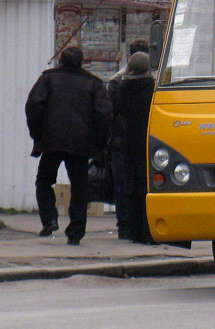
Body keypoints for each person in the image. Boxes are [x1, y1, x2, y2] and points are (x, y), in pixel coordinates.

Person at [25, 46, 112, 245]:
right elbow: (104, 115)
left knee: (44, 181)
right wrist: (100, 143)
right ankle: (76, 232)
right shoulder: (93, 84)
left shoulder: (48, 79)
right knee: (80, 187)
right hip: (81, 145)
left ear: (61, 61)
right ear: (81, 62)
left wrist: (38, 135)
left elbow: (33, 106)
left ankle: (49, 219)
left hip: (51, 141)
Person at [107, 39, 150, 239]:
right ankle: (143, 227)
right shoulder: (154, 85)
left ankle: (126, 226)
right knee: (144, 184)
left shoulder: (117, 83)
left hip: (120, 141)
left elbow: (110, 112)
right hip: (146, 142)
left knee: (124, 185)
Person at [114, 51, 156, 244]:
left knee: (131, 186)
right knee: (148, 186)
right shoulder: (153, 87)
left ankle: (133, 230)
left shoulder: (123, 87)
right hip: (150, 141)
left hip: (129, 141)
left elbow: (118, 110)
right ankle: (148, 231)